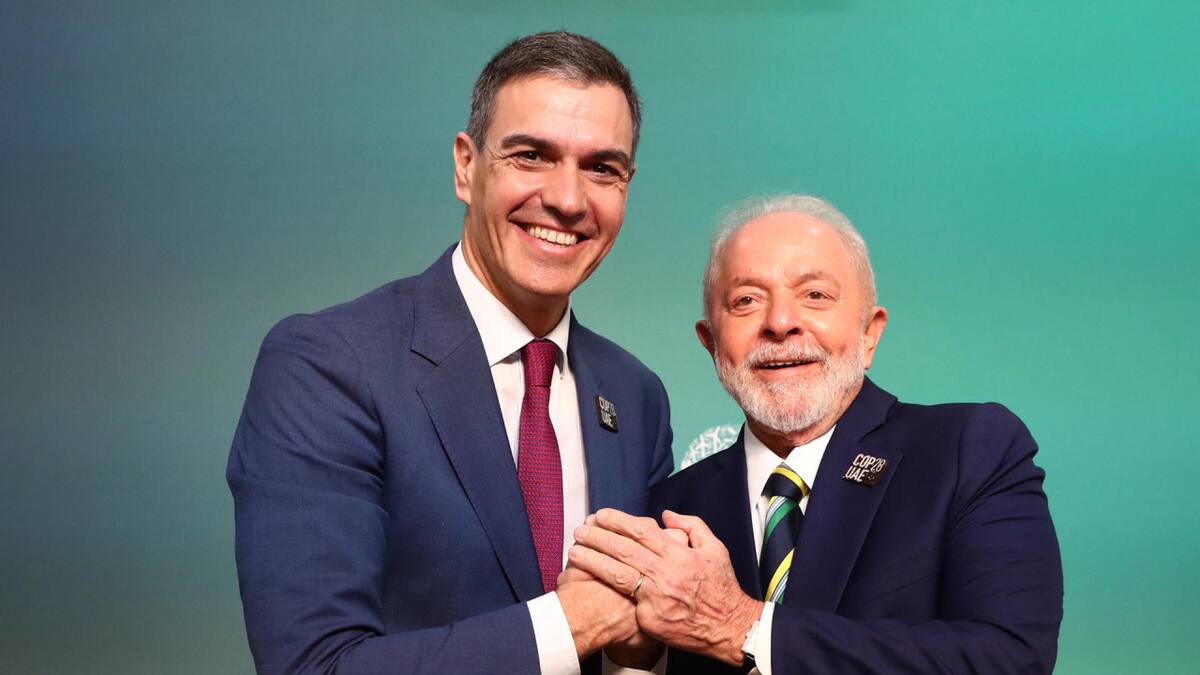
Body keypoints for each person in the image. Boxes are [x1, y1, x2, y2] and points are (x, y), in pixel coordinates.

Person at [227, 32, 675, 675]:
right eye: (532, 156)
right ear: (466, 167)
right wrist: (571, 623)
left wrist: (642, 649)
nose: (569, 200)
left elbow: (634, 633)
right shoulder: (328, 365)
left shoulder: (635, 395)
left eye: (602, 168)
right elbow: (314, 665)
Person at [565, 194, 1064, 673]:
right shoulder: (667, 511)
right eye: (746, 300)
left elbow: (1010, 659)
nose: (781, 322)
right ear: (711, 343)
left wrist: (741, 625)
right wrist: (635, 659)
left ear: (870, 333)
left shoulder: (968, 451)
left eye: (815, 295)